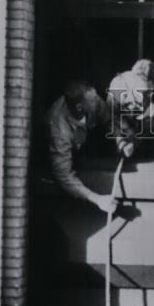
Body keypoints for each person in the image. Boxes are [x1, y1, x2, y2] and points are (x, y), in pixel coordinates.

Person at [46, 79, 117, 214]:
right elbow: (64, 175)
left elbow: (109, 118)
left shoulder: (92, 100)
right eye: (94, 101)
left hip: (88, 144)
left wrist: (120, 137)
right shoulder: (58, 129)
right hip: (64, 157)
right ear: (80, 107)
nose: (98, 101)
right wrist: (97, 199)